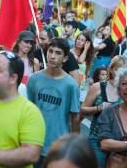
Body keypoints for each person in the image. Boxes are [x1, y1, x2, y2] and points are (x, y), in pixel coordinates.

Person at [27, 38, 81, 167]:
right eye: (50, 51)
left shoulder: (71, 85)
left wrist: (75, 148)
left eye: (58, 53)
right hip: (33, 143)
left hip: (58, 146)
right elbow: (27, 111)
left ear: (65, 58)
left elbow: (75, 117)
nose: (52, 56)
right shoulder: (34, 79)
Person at [81, 55, 127, 166]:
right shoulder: (98, 87)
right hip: (97, 139)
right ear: (111, 69)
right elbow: (82, 109)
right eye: (118, 69)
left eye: (125, 69)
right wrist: (98, 108)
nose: (121, 72)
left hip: (119, 142)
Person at [71, 32, 94, 101]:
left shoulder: (87, 56)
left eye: (82, 40)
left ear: (86, 43)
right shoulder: (71, 52)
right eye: (78, 39)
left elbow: (86, 73)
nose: (79, 42)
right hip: (72, 86)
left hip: (82, 88)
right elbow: (80, 61)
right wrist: (86, 49)